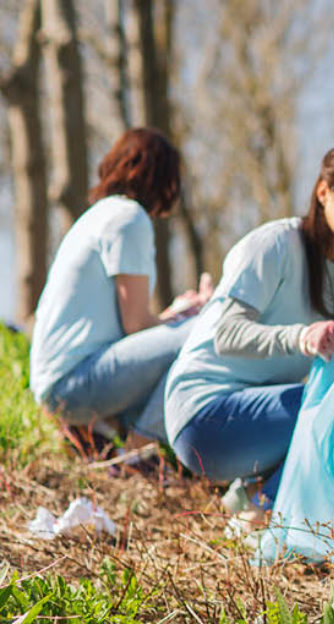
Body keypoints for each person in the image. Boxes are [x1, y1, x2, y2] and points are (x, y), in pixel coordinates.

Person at [164, 141, 334, 521]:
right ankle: (265, 511)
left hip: (256, 420)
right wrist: (302, 337)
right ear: (323, 192)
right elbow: (226, 335)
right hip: (204, 418)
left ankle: (251, 501)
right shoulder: (274, 245)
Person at [30, 127, 210, 453]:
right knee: (204, 331)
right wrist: (190, 319)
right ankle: (141, 451)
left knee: (189, 328)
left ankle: (98, 433)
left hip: (57, 383)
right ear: (163, 178)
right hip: (72, 384)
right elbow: (136, 326)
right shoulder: (129, 218)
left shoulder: (98, 216)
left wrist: (175, 314)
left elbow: (124, 326)